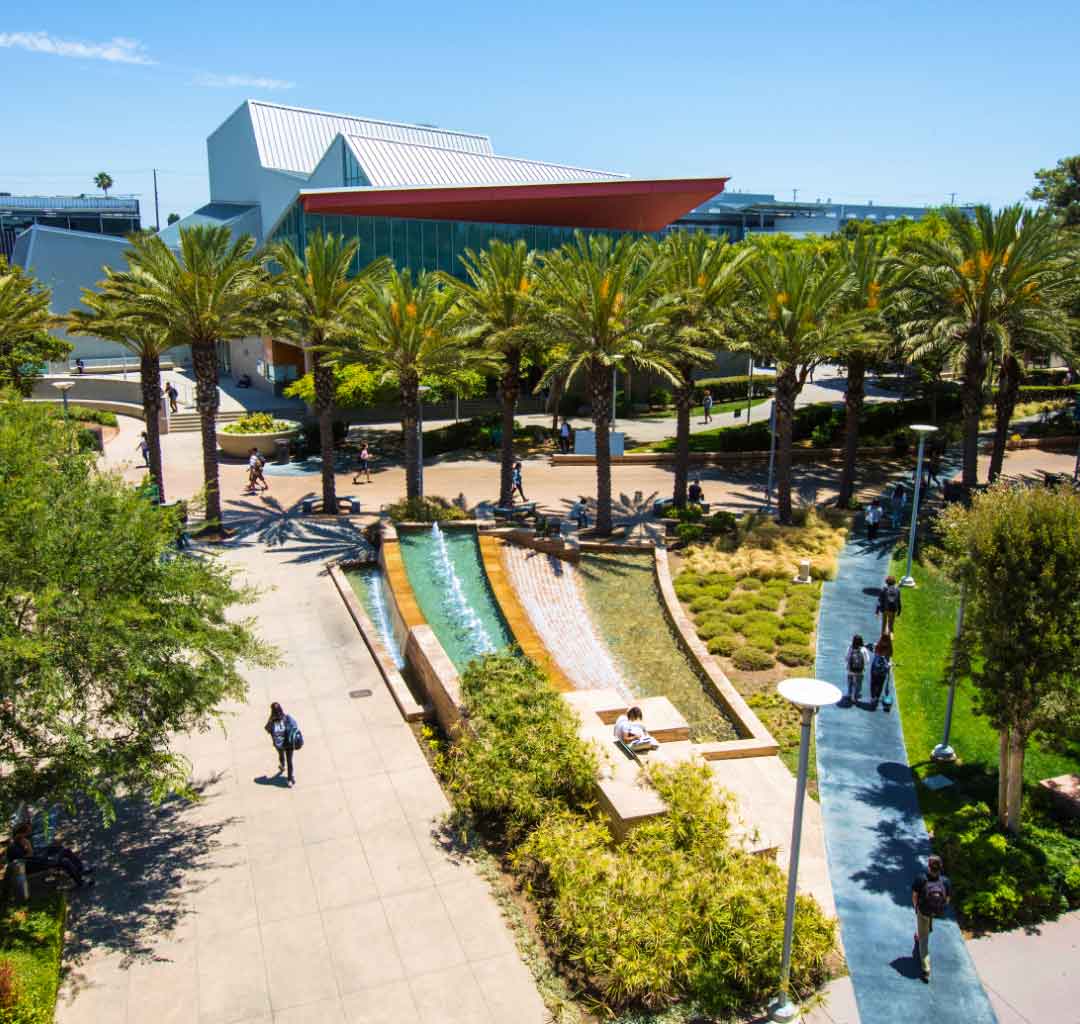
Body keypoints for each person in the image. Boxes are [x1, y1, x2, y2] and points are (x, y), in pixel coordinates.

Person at [7, 821, 93, 888]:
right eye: (27, 832)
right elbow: (25, 860)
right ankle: (80, 882)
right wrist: (29, 847)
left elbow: (32, 854)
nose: (29, 834)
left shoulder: (20, 840)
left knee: (64, 850)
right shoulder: (14, 847)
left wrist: (41, 851)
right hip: (35, 865)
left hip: (38, 859)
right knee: (64, 861)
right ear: (21, 833)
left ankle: (80, 869)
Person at [911, 854, 951, 982]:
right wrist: (941, 908)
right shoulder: (945, 881)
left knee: (924, 941)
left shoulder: (921, 879)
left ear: (929, 867)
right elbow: (947, 899)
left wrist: (916, 908)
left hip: (923, 911)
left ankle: (926, 969)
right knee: (928, 924)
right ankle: (924, 932)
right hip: (937, 911)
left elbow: (914, 896)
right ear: (940, 867)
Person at [265, 702, 301, 786]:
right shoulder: (287, 718)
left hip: (279, 744)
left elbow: (267, 729)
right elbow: (295, 726)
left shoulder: (272, 721)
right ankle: (290, 779)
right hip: (288, 743)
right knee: (290, 761)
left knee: (281, 754)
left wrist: (271, 719)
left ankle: (282, 765)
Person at [844, 633, 871, 703]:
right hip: (860, 671)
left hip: (850, 670)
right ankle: (856, 695)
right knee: (859, 683)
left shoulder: (850, 648)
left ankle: (849, 693)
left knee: (850, 682)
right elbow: (867, 660)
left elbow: (846, 658)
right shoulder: (864, 649)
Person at [869, 634, 893, 708]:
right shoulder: (889, 648)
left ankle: (873, 698)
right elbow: (889, 658)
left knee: (874, 683)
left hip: (875, 669)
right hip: (883, 670)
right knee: (880, 684)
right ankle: (876, 697)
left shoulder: (878, 646)